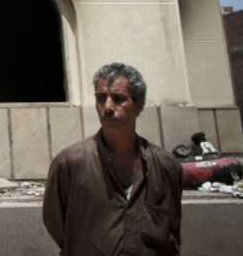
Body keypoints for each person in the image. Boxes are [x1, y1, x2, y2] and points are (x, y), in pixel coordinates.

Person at [43, 63, 182, 255]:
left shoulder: (165, 165)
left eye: (118, 99)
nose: (107, 107)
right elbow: (56, 224)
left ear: (139, 104)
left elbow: (171, 229)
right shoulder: (70, 163)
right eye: (101, 98)